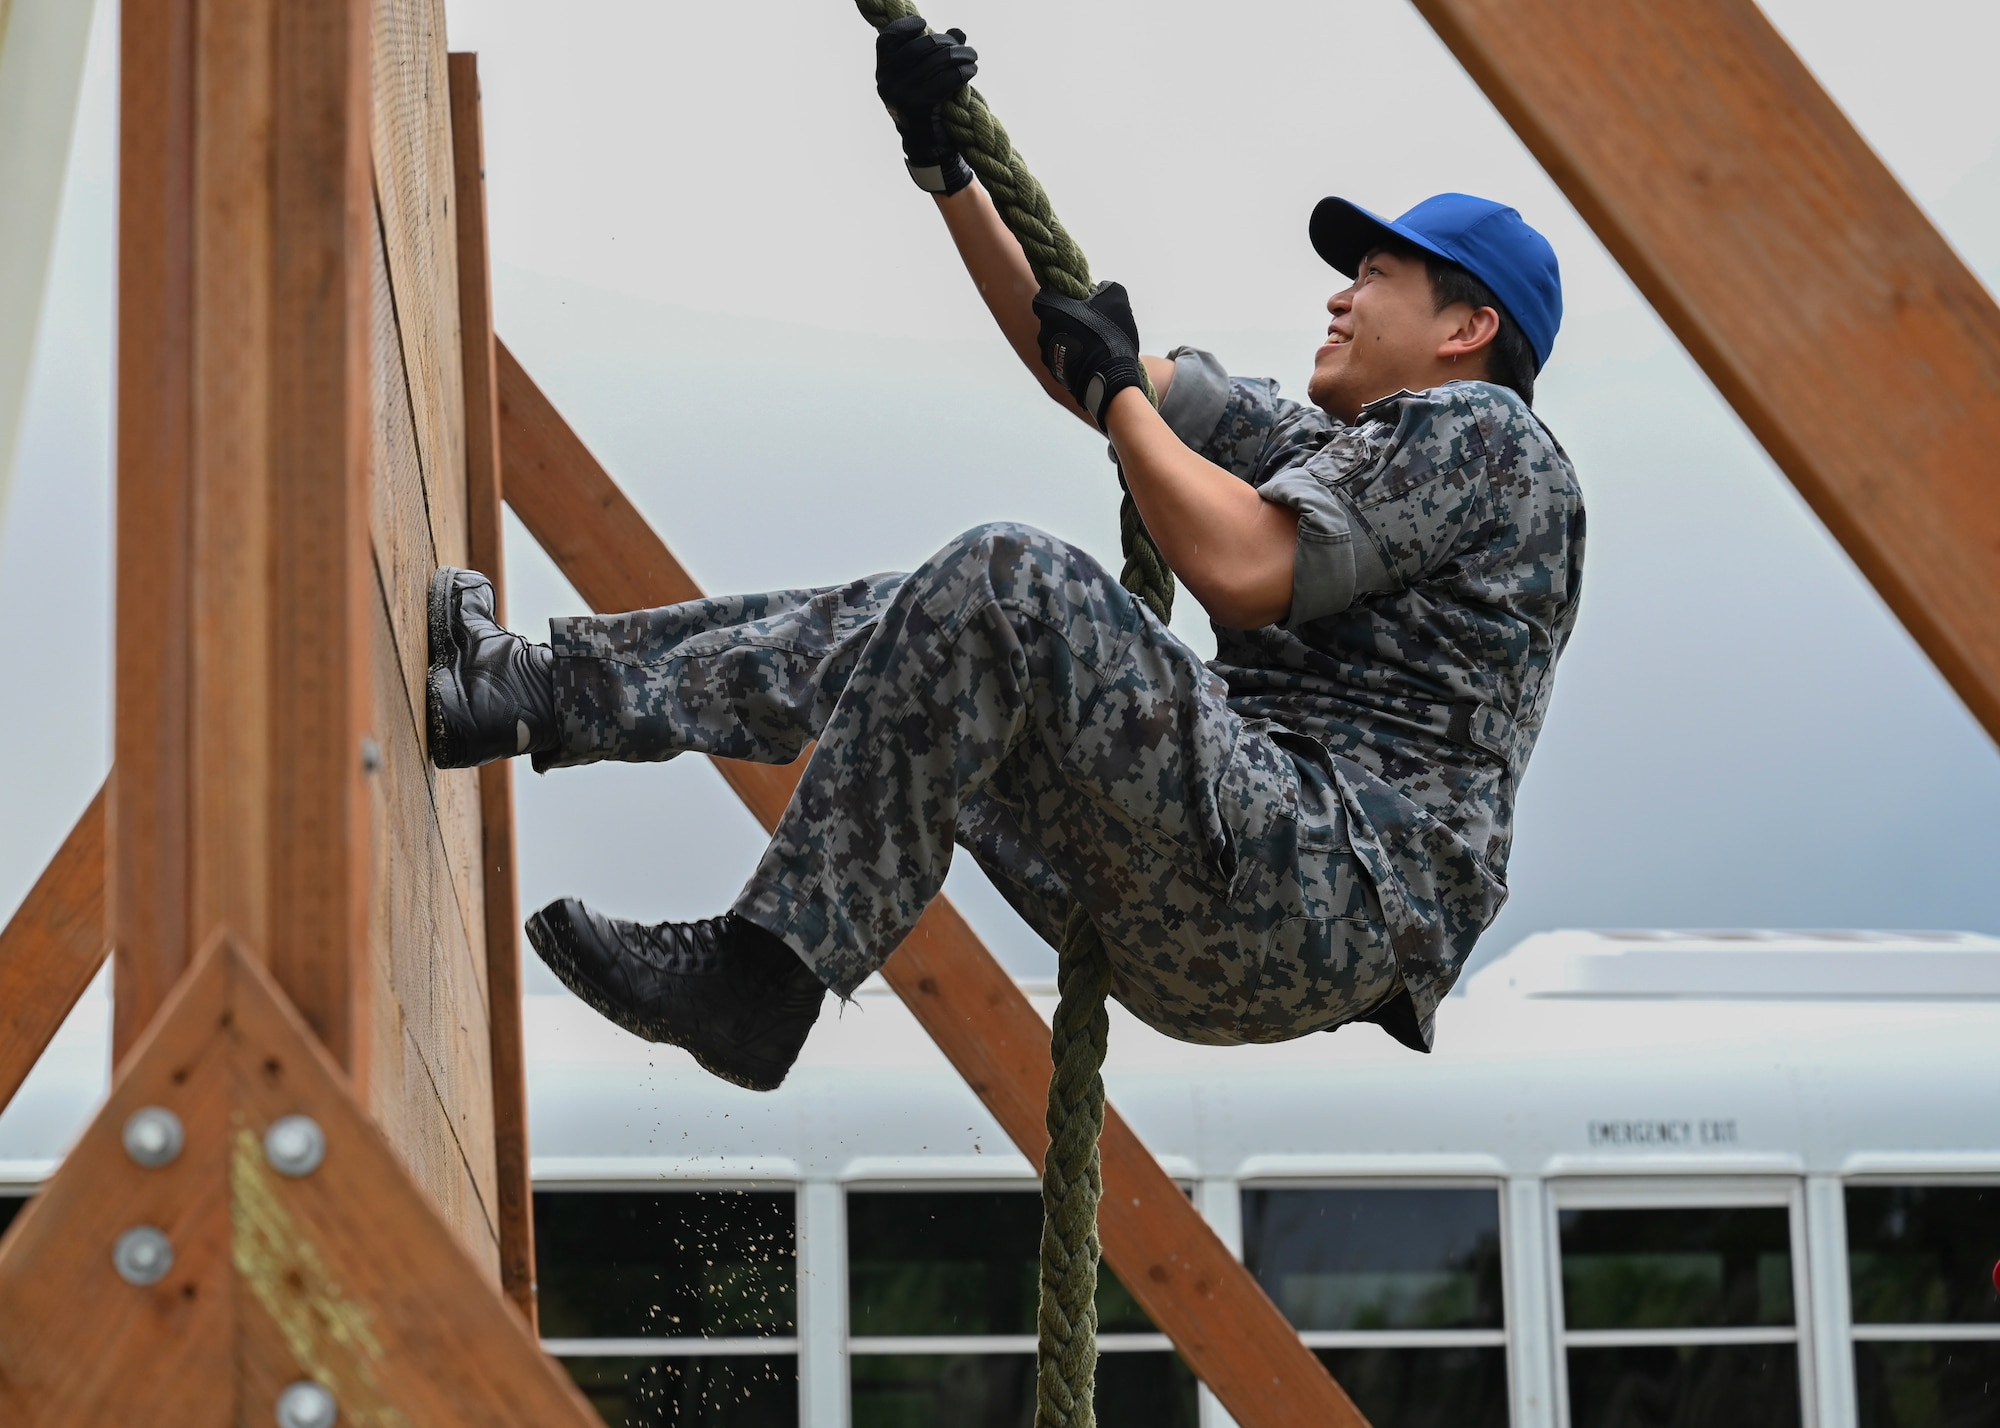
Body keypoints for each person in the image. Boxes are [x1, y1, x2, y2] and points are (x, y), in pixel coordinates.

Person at [425, 16, 1584, 1092]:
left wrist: (1123, 396)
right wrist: (948, 172)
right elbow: (1075, 357)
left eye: (1373, 278)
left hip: (1320, 884)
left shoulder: (1484, 439)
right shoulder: (1320, 448)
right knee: (928, 622)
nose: (1337, 298)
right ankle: (526, 695)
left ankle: (765, 972)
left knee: (1009, 579)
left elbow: (1238, 566)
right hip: (1219, 913)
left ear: (1464, 329)